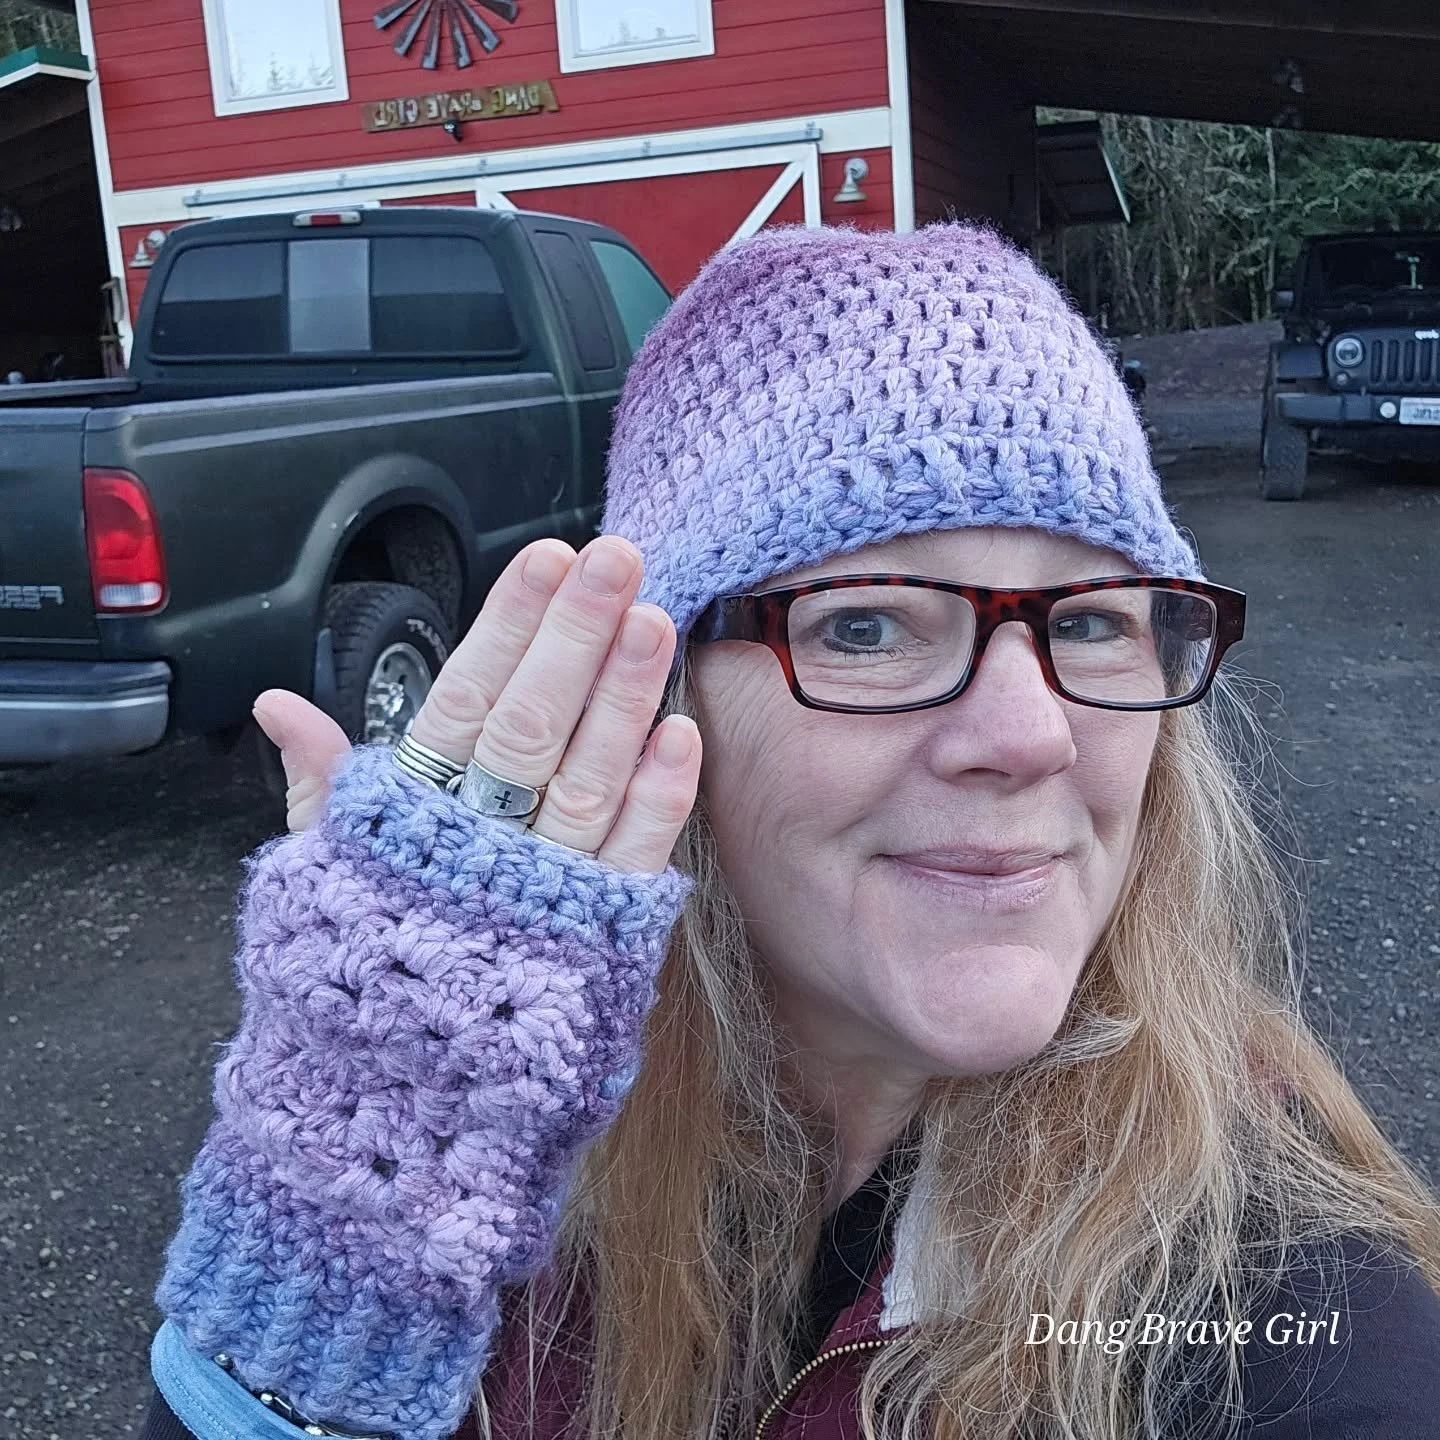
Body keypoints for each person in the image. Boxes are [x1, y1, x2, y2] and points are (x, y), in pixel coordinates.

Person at [139, 222, 1440, 1440]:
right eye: (866, 625)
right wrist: (326, 1277)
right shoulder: (478, 1121)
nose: (1032, 734)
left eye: (1092, 622)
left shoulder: (1284, 1302)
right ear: (657, 703)